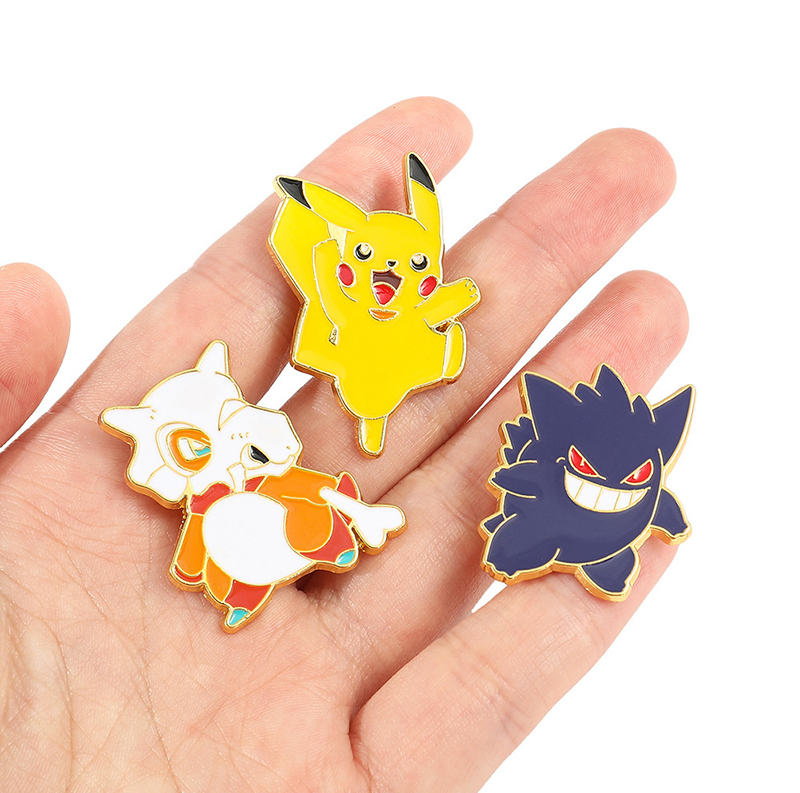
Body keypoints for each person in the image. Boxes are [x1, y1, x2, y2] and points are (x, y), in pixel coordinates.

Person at [0, 97, 687, 791]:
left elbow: (431, 306)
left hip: (381, 386)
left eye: (409, 267)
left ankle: (349, 501)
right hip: (312, 452)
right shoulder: (240, 463)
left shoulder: (299, 431)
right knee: (304, 494)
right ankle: (328, 520)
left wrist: (440, 308)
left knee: (352, 450)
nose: (389, 279)